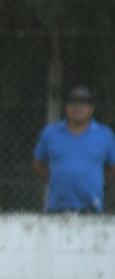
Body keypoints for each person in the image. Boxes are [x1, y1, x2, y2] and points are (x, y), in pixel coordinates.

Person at [32, 84, 115, 213]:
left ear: (91, 108)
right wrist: (55, 180)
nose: (77, 108)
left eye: (83, 104)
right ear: (66, 107)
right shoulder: (50, 133)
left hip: (91, 208)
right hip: (57, 207)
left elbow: (113, 167)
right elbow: (38, 164)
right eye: (73, 103)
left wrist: (97, 181)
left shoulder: (105, 135)